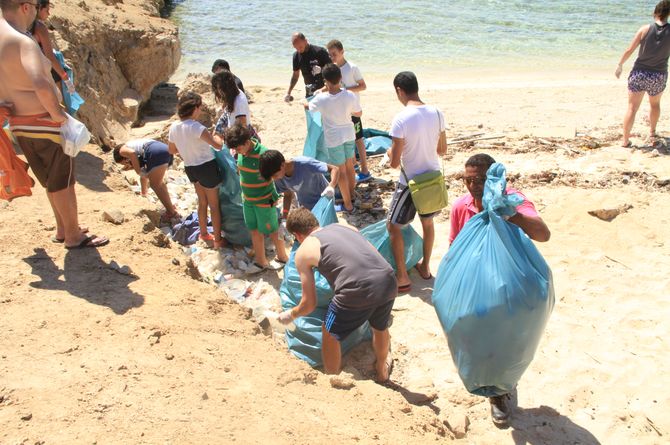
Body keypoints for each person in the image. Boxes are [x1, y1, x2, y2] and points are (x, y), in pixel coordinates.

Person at [449, 153, 550, 426]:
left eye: (480, 180)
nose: (473, 186)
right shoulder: (461, 207)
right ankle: (492, 386)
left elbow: (543, 234)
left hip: (511, 285)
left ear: (495, 177)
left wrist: (512, 215)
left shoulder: (512, 199)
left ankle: (500, 393)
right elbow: (454, 251)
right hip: (477, 284)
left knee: (506, 341)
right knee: (477, 339)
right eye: (467, 180)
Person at [0, 0, 108, 249]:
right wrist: (57, 116)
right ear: (26, 7)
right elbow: (39, 82)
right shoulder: (23, 41)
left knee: (50, 180)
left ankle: (63, 229)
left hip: (18, 124)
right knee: (64, 180)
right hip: (43, 121)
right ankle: (73, 235)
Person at [278, 208, 397, 382]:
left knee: (329, 331)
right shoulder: (345, 227)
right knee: (379, 326)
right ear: (315, 222)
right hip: (387, 279)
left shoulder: (304, 251)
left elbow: (309, 303)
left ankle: (332, 379)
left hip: (356, 289)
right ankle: (381, 370)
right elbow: (370, 254)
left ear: (297, 235)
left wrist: (291, 314)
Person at [386, 71, 447, 293]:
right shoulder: (438, 113)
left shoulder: (401, 118)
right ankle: (426, 267)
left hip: (410, 183)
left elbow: (394, 163)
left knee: (393, 227)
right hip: (431, 180)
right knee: (428, 224)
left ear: (399, 91)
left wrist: (390, 151)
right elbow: (442, 149)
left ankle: (402, 276)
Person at [226, 124, 289, 269]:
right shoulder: (241, 153)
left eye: (238, 148)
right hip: (248, 200)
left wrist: (275, 197)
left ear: (247, 142)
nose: (237, 151)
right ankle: (261, 260)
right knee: (254, 230)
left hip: (265, 201)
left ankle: (283, 257)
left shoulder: (263, 155)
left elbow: (278, 174)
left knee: (273, 229)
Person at [167, 92, 225, 249]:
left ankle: (204, 233)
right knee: (214, 205)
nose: (200, 111)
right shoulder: (197, 127)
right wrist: (219, 135)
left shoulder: (174, 127)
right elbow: (217, 145)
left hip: (190, 167)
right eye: (199, 108)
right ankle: (218, 240)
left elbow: (172, 150)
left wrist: (188, 148)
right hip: (206, 166)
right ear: (195, 108)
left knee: (202, 202)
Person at [304, 63, 361, 212]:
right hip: (349, 134)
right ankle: (352, 193)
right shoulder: (350, 95)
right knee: (350, 165)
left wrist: (303, 101)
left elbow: (309, 107)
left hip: (333, 138)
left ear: (325, 81)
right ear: (340, 78)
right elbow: (358, 113)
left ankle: (348, 204)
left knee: (340, 170)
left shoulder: (321, 99)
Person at [616, 0, 670, 147]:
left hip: (639, 73)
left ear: (656, 12)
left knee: (632, 108)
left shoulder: (644, 29)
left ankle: (625, 140)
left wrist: (620, 65)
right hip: (658, 75)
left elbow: (629, 50)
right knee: (655, 105)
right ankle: (652, 132)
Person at [326, 39, 372, 183]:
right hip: (339, 112)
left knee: (358, 139)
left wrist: (345, 90)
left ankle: (365, 170)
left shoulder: (352, 68)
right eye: (330, 55)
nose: (332, 57)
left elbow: (363, 86)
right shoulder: (332, 69)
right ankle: (353, 167)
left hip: (353, 111)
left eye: (334, 54)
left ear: (342, 52)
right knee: (345, 140)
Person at [112, 139, 180, 223]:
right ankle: (170, 207)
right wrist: (143, 193)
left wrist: (138, 171)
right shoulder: (139, 152)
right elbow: (144, 176)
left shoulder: (122, 150)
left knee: (155, 185)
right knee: (159, 183)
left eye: (124, 163)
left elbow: (132, 154)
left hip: (155, 153)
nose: (126, 164)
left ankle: (171, 213)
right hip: (165, 150)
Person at [259, 149, 339, 215]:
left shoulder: (305, 163)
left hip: (324, 201)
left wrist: (331, 186)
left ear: (282, 165)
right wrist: (285, 216)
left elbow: (334, 169)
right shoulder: (279, 177)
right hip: (305, 207)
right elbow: (287, 195)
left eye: (275, 176)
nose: (275, 179)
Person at [29, 0, 73, 95]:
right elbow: (50, 57)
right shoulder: (40, 27)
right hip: (39, 70)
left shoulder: (23, 24)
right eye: (47, 10)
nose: (49, 14)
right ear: (39, 8)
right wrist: (65, 78)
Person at [285, 32, 331, 101]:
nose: (299, 50)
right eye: (296, 48)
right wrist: (288, 93)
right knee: (310, 110)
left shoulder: (320, 51)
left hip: (325, 90)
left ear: (305, 41)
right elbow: (295, 75)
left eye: (300, 47)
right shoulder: (296, 56)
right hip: (310, 91)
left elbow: (333, 70)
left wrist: (322, 69)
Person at [211, 70, 255, 141]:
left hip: (240, 135)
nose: (218, 92)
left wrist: (227, 136)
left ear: (226, 88)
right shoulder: (234, 92)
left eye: (219, 89)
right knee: (215, 136)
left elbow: (242, 129)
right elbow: (228, 113)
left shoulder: (239, 103)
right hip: (231, 123)